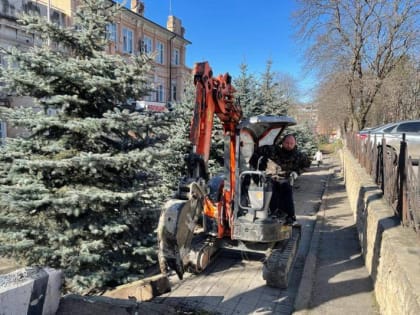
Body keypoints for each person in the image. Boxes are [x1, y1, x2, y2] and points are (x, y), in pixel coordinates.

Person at [249, 134, 311, 224]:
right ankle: (274, 213)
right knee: (271, 188)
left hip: (284, 179)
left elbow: (307, 164)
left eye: (291, 143)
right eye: (287, 143)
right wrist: (261, 166)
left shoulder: (298, 155)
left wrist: (297, 172)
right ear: (282, 142)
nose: (289, 145)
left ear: (295, 144)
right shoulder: (272, 150)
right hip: (269, 177)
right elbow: (255, 155)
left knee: (286, 189)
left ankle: (290, 217)